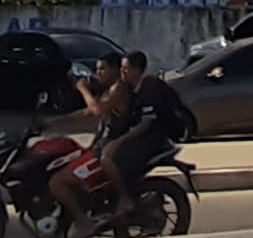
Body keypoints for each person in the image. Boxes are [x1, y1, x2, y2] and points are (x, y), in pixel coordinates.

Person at [44, 51, 132, 238]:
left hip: (107, 151)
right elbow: (87, 113)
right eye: (97, 69)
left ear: (116, 70)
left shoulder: (119, 89)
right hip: (99, 147)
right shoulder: (110, 90)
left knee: (57, 182)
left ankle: (83, 222)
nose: (98, 73)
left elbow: (97, 109)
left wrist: (83, 89)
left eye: (103, 69)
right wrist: (54, 123)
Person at [100, 51, 174, 221]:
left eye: (126, 69)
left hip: (152, 138)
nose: (123, 73)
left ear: (137, 69)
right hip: (142, 136)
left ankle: (124, 199)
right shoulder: (133, 88)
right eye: (122, 69)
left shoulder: (149, 87)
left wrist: (119, 141)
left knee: (109, 158)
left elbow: (146, 124)